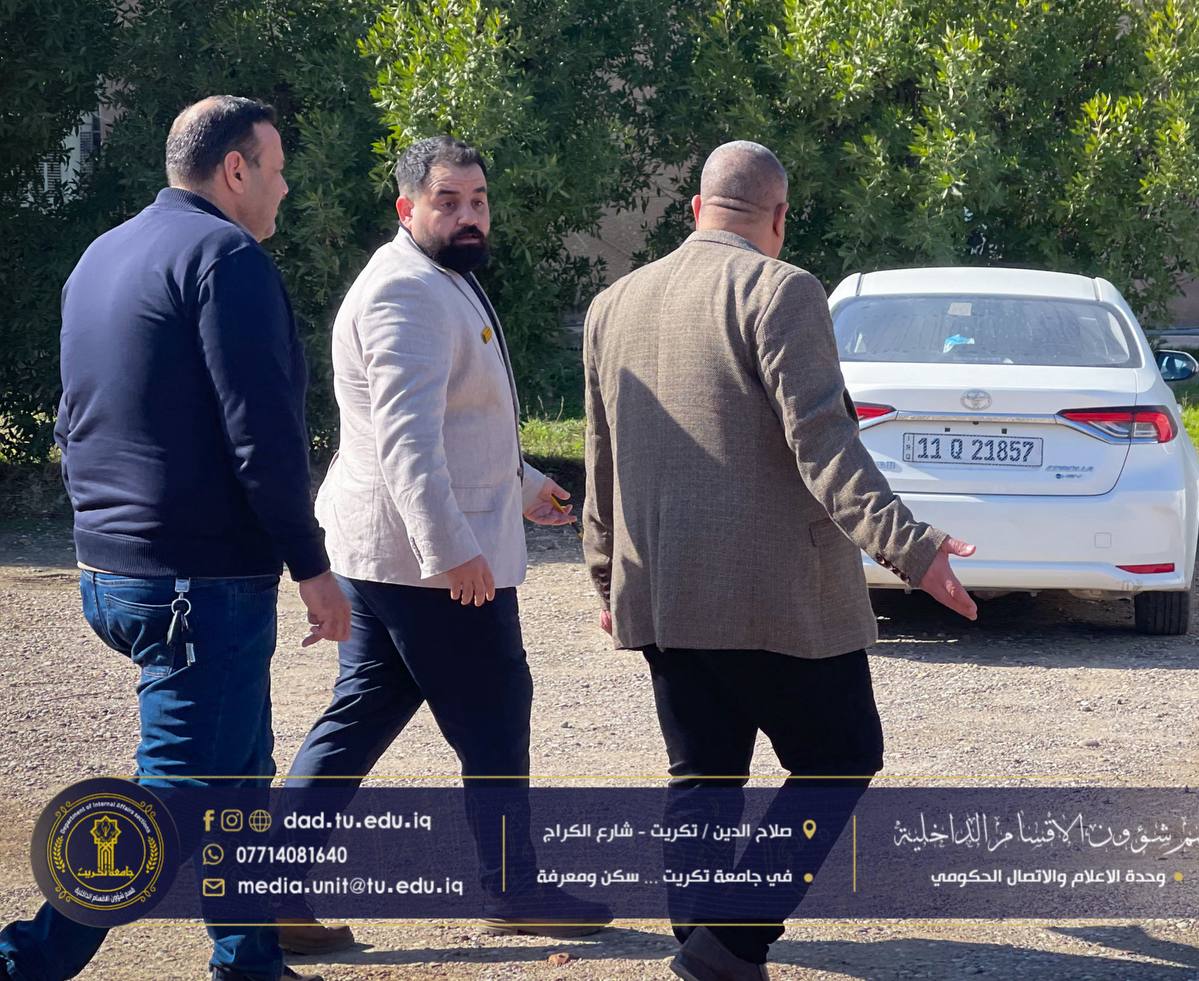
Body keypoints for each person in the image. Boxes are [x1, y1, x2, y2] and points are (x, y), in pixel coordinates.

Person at [581, 140, 979, 981]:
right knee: (841, 755)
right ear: (779, 217)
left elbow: (600, 456)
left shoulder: (613, 303)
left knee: (702, 773)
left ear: (697, 208)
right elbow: (824, 445)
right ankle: (730, 941)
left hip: (661, 588)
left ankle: (705, 945)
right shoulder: (782, 290)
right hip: (775, 599)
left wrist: (606, 573)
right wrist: (914, 548)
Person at [0, 96, 351, 981]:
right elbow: (263, 438)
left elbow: (74, 418)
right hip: (199, 583)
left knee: (238, 773)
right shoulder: (226, 258)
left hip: (114, 570)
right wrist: (312, 565)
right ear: (235, 169)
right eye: (276, 170)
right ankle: (25, 959)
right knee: (177, 799)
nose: (283, 188)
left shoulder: (103, 254)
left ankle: (250, 958)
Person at [280, 135, 608, 950]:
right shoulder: (407, 292)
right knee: (495, 716)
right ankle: (512, 890)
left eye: (478, 201)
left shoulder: (438, 276)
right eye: (448, 201)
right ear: (407, 208)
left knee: (361, 713)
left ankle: (270, 888)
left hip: (388, 555)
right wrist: (452, 550)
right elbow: (407, 443)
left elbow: (458, 422)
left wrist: (523, 485)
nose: (469, 216)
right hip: (424, 564)